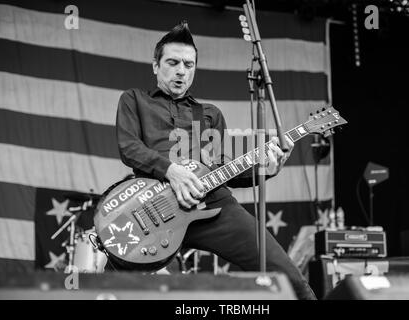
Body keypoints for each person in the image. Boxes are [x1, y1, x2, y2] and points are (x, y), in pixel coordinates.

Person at [115, 21, 316, 300]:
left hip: (212, 205)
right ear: (155, 65)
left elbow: (224, 170)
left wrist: (268, 169)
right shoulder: (134, 100)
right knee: (120, 288)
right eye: (173, 62)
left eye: (189, 64)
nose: (181, 71)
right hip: (153, 207)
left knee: (290, 280)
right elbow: (129, 147)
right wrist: (171, 170)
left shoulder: (209, 114)